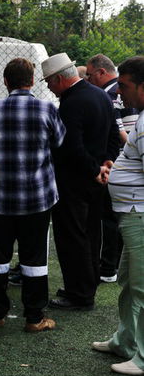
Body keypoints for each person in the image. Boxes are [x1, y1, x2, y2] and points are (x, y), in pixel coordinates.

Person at [0, 58, 65, 332]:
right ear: (32, 81)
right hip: (37, 197)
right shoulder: (47, 108)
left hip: (2, 197)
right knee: (34, 258)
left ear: (6, 81)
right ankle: (34, 317)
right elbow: (59, 142)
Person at [42, 53, 120, 311]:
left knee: (72, 238)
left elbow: (71, 147)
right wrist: (106, 163)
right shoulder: (100, 95)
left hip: (75, 181)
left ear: (58, 79)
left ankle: (79, 294)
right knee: (91, 235)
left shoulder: (71, 103)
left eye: (48, 82)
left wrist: (93, 169)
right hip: (96, 180)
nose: (48, 88)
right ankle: (85, 286)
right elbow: (112, 134)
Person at [90, 56, 144, 376]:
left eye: (123, 85)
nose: (119, 93)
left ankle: (141, 357)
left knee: (141, 287)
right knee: (128, 282)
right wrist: (115, 169)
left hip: (139, 214)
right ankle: (124, 341)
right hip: (131, 213)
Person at [86, 54, 140, 283]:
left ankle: (108, 266)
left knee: (108, 221)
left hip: (133, 198)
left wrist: (119, 159)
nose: (120, 91)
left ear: (101, 72)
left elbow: (119, 132)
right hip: (131, 189)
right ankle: (112, 266)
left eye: (89, 74)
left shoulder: (108, 95)